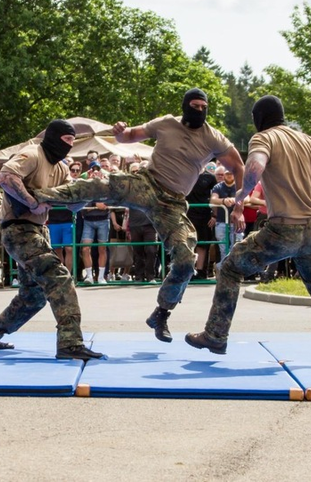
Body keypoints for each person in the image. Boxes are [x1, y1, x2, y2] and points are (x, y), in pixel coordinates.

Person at [32, 88, 245, 344]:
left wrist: (239, 206)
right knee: (102, 185)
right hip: (147, 183)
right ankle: (40, 195)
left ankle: (161, 313)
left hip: (173, 202)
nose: (199, 111)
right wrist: (120, 132)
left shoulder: (213, 137)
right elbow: (131, 136)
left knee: (186, 260)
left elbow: (238, 166)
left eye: (203, 107)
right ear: (185, 106)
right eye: (195, 106)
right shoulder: (167, 123)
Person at [184, 95, 311, 367]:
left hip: (283, 228)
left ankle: (215, 335)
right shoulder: (309, 141)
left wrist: (242, 194)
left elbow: (256, 165)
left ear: (259, 119)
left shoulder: (264, 138)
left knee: (229, 269)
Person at [0, 119, 103, 361]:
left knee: (33, 297)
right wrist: (32, 202)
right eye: (66, 140)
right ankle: (70, 343)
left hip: (38, 230)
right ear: (53, 137)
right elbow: (6, 177)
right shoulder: (33, 153)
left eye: (73, 141)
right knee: (59, 278)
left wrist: (92, 190)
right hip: (18, 229)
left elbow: (73, 205)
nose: (69, 145)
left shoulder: (61, 168)